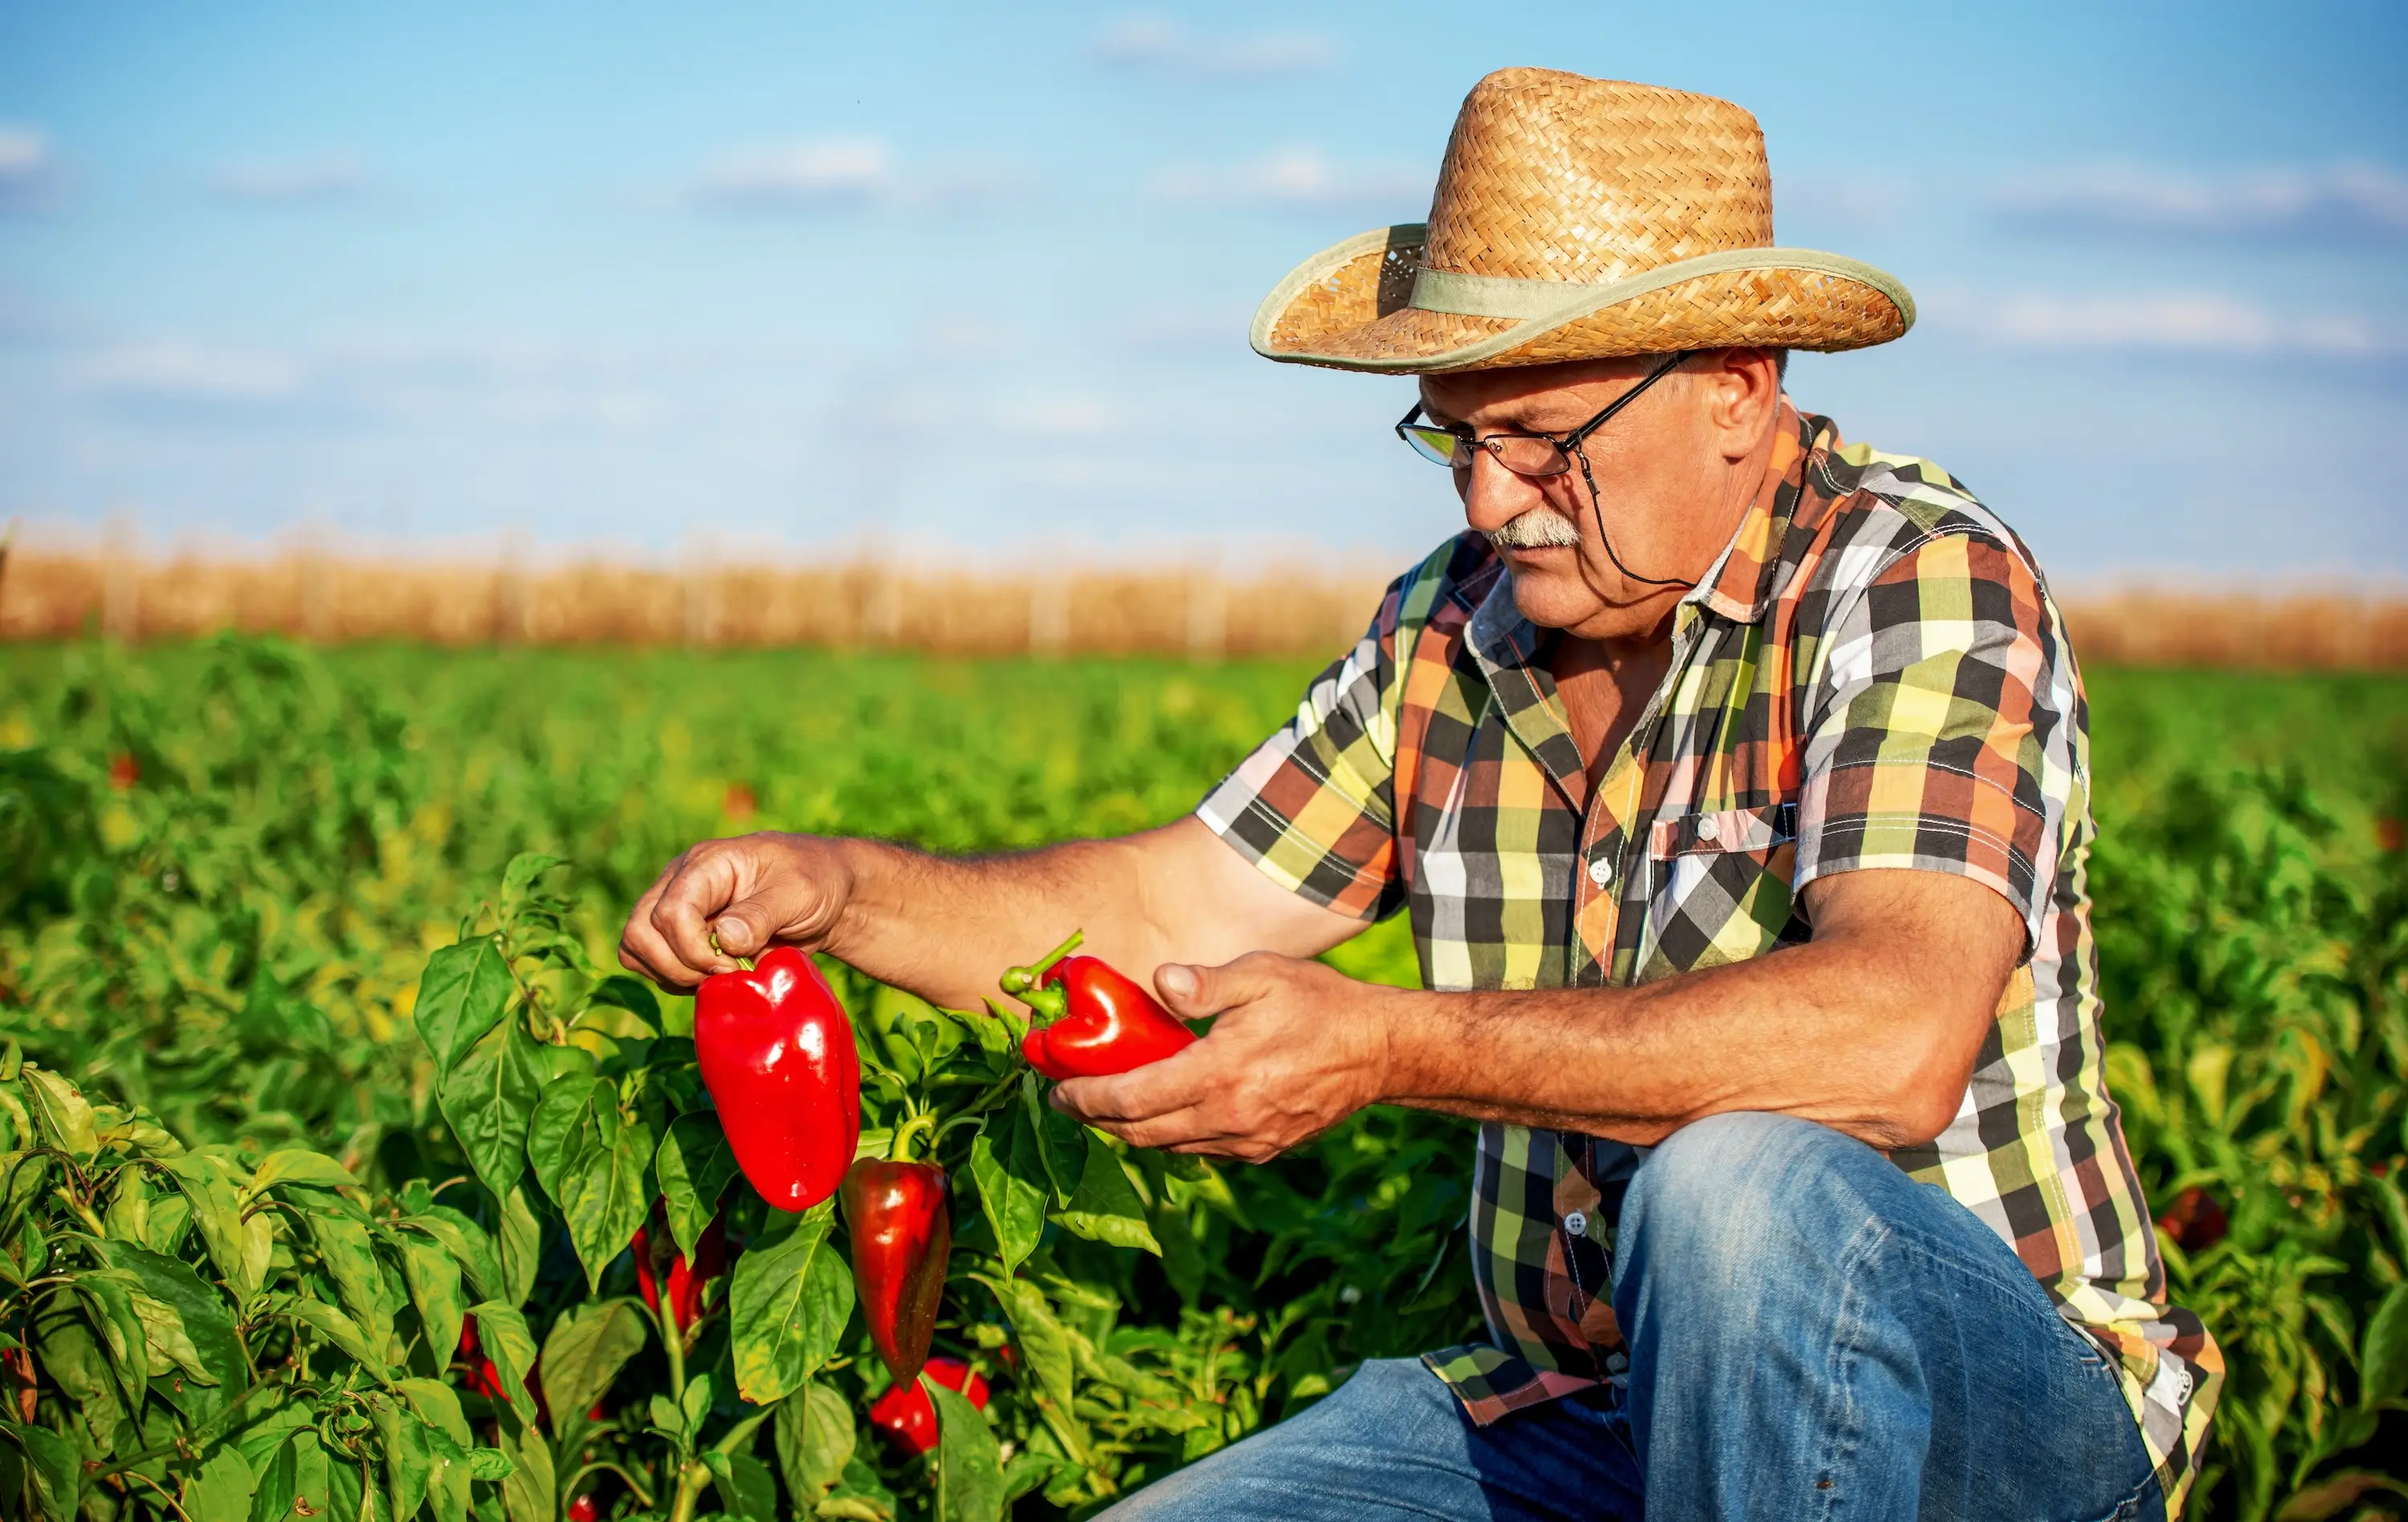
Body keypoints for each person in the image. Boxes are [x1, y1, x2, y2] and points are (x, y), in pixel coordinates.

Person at [618, 68, 2218, 1522]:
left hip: (1988, 1425)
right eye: (1451, 439)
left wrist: (1391, 1047)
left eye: (1538, 442)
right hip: (1594, 1413)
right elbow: (1172, 905)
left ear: (1738, 383)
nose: (1486, 499)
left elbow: (1894, 1039)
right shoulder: (1454, 631)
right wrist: (844, 888)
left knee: (1736, 1185)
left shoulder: (1914, 580)